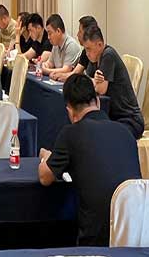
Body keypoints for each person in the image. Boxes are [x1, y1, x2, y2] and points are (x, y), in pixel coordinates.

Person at [38, 74, 141, 246]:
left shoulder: (71, 133)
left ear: (70, 111)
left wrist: (46, 157)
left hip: (96, 239)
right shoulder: (126, 132)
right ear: (98, 102)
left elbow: (45, 177)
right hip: (136, 232)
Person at [83, 25, 144, 138]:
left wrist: (94, 82)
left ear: (99, 45)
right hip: (113, 117)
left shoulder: (108, 55)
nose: (87, 53)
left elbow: (100, 89)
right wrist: (94, 81)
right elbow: (87, 80)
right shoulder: (94, 58)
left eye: (88, 49)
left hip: (129, 119)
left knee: (103, 137)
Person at [43, 14, 82, 81]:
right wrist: (45, 65)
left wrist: (47, 70)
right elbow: (50, 63)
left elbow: (66, 70)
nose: (48, 37)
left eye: (50, 33)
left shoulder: (71, 45)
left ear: (58, 31)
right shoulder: (55, 44)